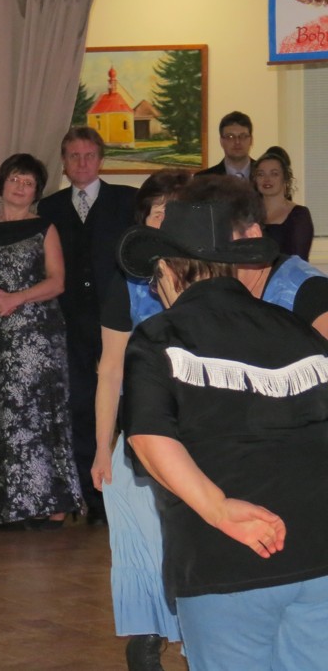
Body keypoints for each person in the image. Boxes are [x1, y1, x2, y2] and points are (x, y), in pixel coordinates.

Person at [118, 203, 328, 670]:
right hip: (319, 553)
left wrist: (218, 508)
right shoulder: (296, 329)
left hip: (225, 560)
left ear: (169, 271)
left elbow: (149, 438)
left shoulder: (160, 335)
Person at [91, 169, 191, 670]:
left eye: (175, 211)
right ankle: (147, 633)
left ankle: (197, 633)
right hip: (143, 426)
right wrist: (101, 447)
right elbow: (110, 370)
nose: (165, 220)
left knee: (192, 534)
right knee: (139, 535)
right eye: (157, 212)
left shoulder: (213, 277)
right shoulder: (126, 284)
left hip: (201, 427)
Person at [0, 153, 82, 530]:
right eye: (15, 179)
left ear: (36, 192)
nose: (20, 186)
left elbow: (57, 282)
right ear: (2, 183)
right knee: (7, 417)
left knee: (42, 414)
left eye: (28, 182)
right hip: (2, 336)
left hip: (40, 335)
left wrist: (17, 298)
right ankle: (12, 506)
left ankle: (53, 505)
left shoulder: (44, 227)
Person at [36, 127, 136, 525]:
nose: (82, 163)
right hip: (68, 321)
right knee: (79, 404)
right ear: (63, 162)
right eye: (74, 156)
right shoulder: (48, 207)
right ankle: (91, 498)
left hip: (119, 319)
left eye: (89, 155)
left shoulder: (127, 200)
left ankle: (127, 496)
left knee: (126, 405)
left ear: (101, 159)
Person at [183, 175, 328, 339]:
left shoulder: (309, 292)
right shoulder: (205, 292)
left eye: (215, 241)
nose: (203, 255)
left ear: (252, 235)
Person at [253, 148, 314, 260]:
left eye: (274, 174)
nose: (267, 179)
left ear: (285, 179)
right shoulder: (248, 214)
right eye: (261, 174)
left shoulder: (299, 215)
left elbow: (298, 260)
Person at [195, 111, 256, 180]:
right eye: (230, 136)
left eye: (243, 136)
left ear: (251, 140)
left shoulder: (263, 175)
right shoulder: (203, 179)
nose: (237, 142)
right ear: (221, 141)